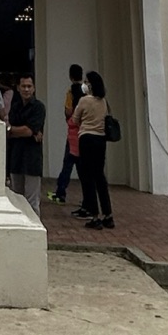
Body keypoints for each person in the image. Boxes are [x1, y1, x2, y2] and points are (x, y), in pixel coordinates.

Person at [71, 69, 114, 229]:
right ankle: (108, 214)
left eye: (87, 82)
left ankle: (94, 215)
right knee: (100, 177)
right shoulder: (103, 101)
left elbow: (75, 120)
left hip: (86, 138)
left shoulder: (84, 101)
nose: (85, 84)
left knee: (88, 177)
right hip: (100, 139)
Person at [5, 73, 45, 211]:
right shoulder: (15, 107)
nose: (26, 89)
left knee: (31, 202)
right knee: (16, 200)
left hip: (32, 160)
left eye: (29, 86)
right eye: (23, 86)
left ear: (34, 88)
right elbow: (14, 130)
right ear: (18, 87)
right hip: (16, 158)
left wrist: (13, 130)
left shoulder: (38, 107)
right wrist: (21, 130)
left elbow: (27, 130)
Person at [49, 62, 83, 203]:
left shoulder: (71, 92)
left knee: (67, 164)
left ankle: (60, 192)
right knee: (83, 167)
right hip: (85, 133)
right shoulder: (87, 92)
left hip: (73, 133)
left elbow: (68, 111)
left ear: (70, 76)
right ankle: (88, 198)